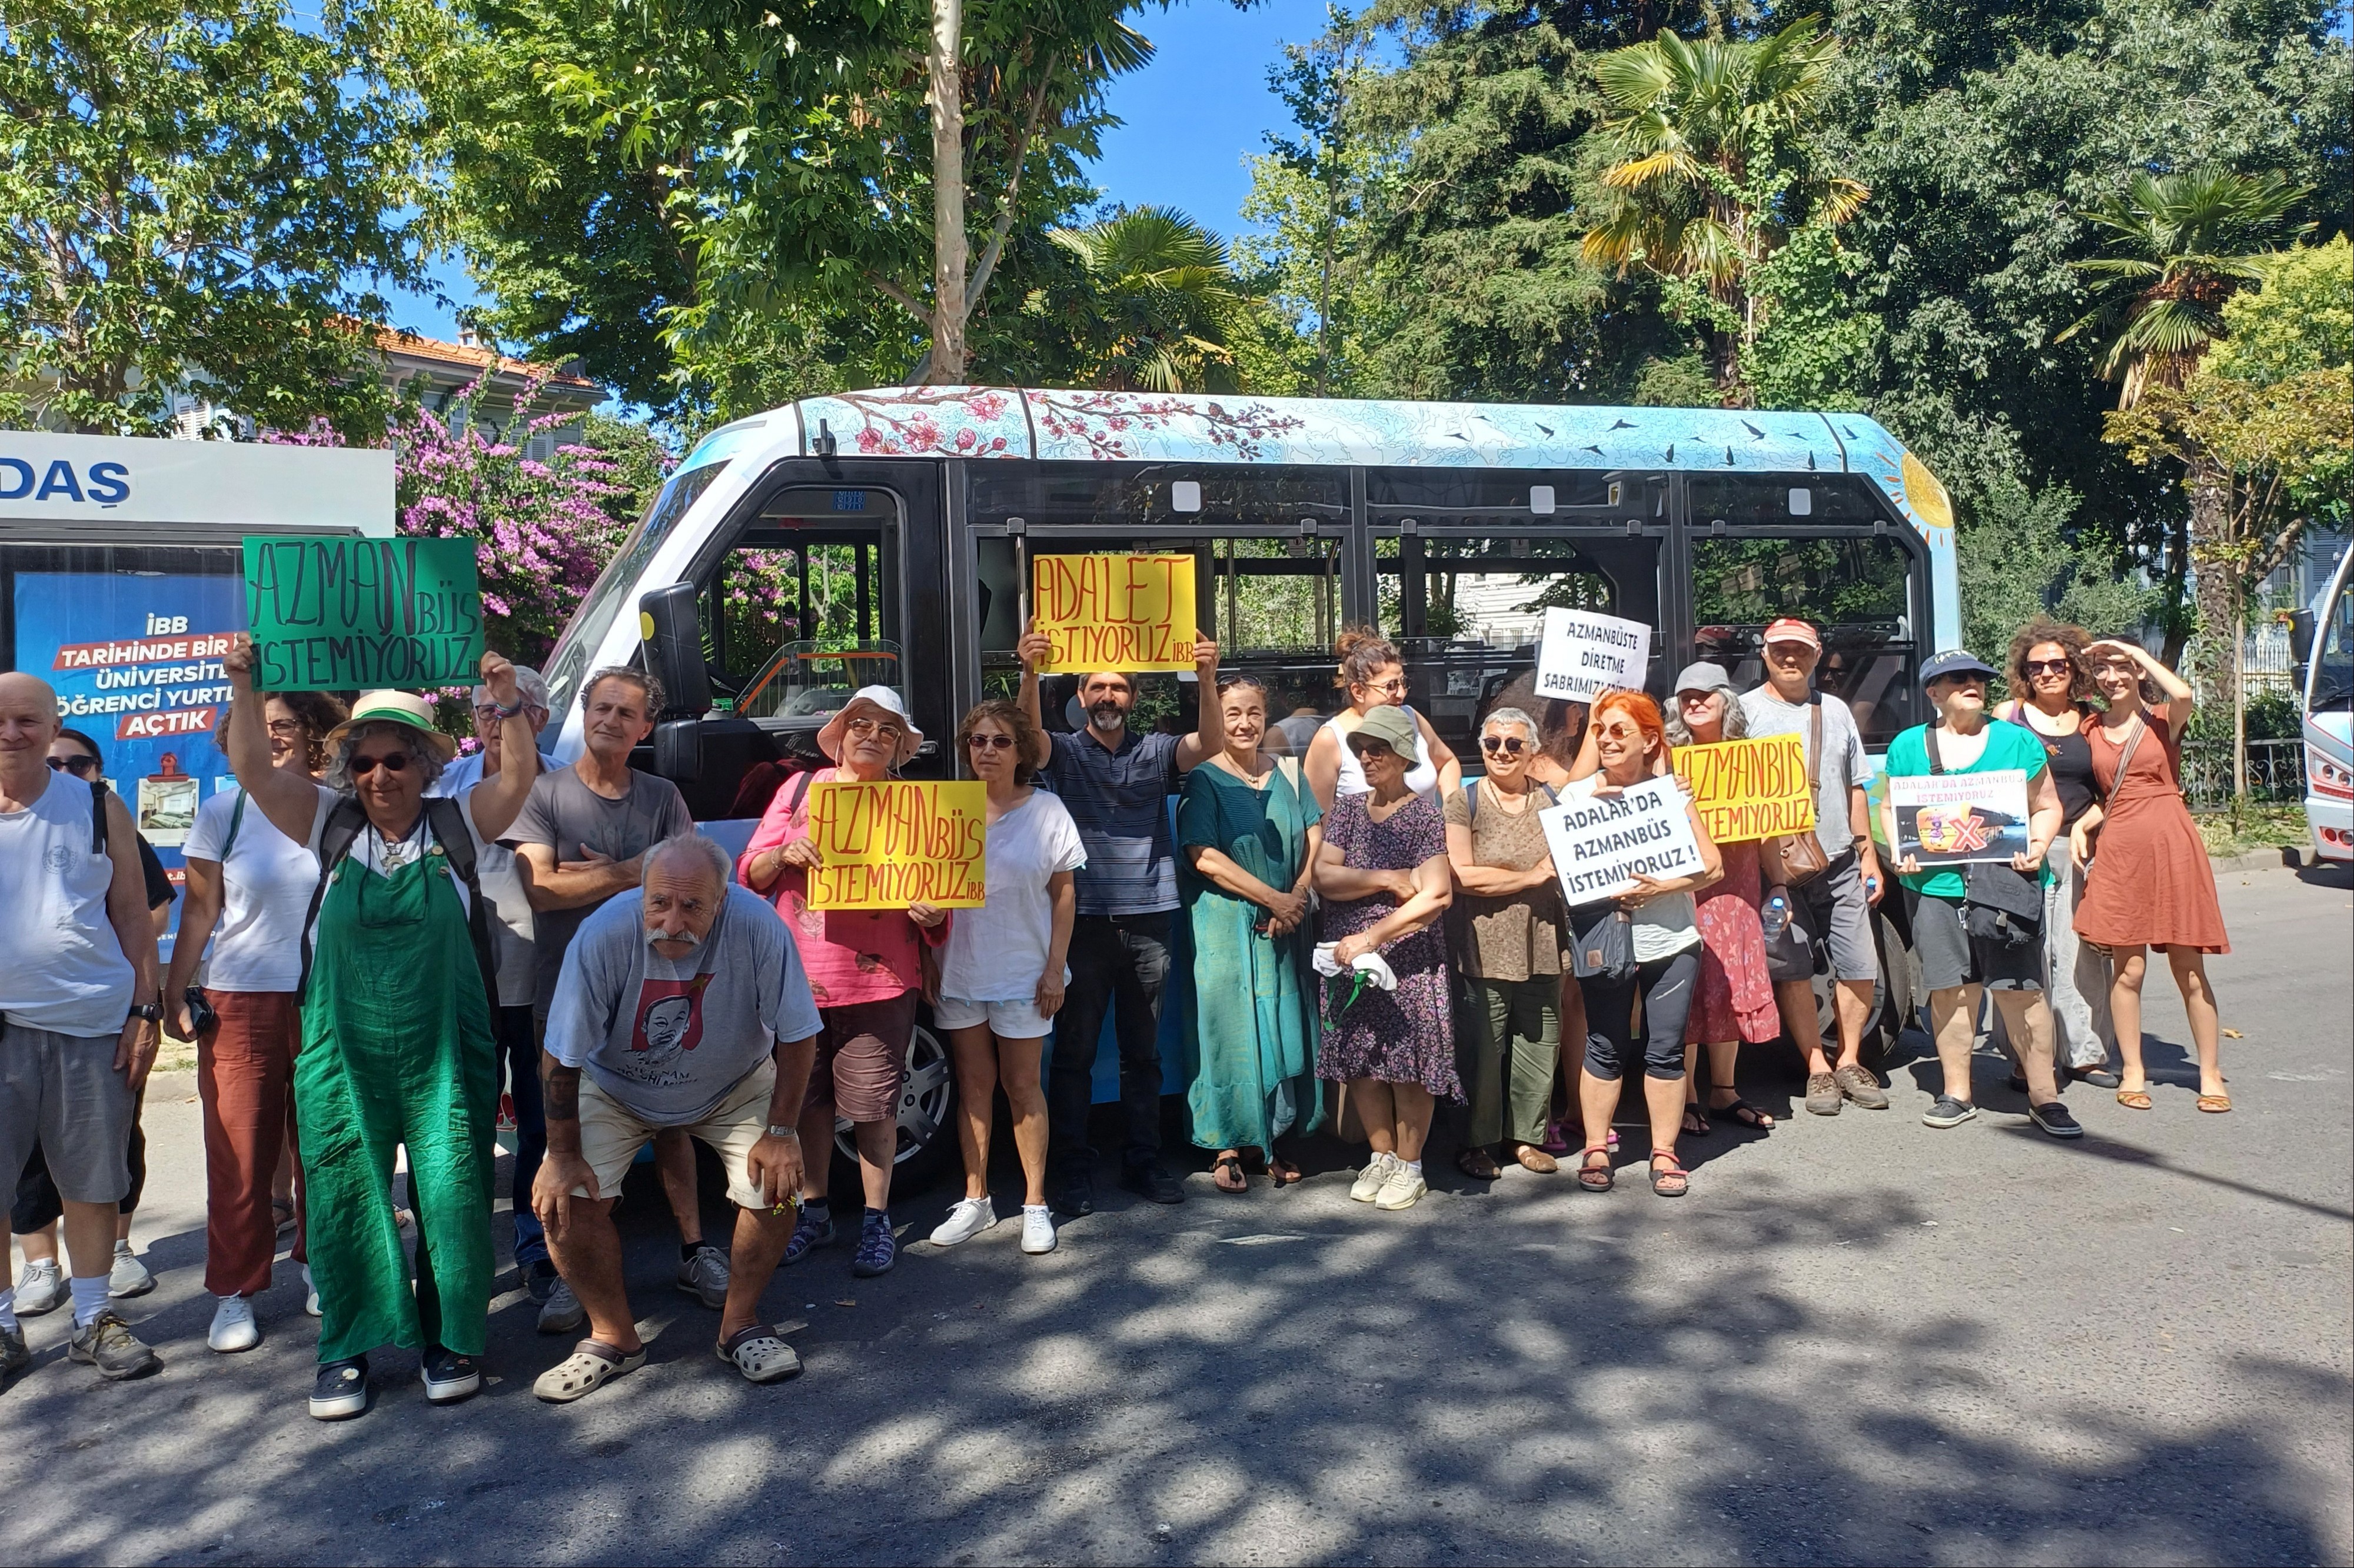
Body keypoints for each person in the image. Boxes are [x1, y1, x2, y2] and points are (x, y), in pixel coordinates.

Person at [220, 635, 538, 1419]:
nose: (379, 776)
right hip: (345, 1051)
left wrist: (501, 698)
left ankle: (452, 1339)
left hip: (444, 1049)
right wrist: (244, 681)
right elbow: (255, 768)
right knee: (343, 1192)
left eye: (397, 760)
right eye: (365, 762)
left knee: (454, 1190)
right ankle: (348, 1352)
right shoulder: (327, 825)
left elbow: (521, 775)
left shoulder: (459, 822)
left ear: (427, 766)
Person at [531, 835, 823, 1400]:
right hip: (617, 1084)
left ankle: (740, 1324)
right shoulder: (603, 934)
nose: (672, 921)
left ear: (724, 900)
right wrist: (561, 1154)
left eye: (693, 906)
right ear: (642, 893)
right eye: (659, 902)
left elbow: (799, 1032)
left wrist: (783, 1133)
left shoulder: (758, 925)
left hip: (732, 1081)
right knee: (563, 1195)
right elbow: (561, 1056)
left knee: (782, 1182)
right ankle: (613, 1336)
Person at [511, 667, 707, 1332]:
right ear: (584, 713)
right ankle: (576, 1278)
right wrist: (631, 872)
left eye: (627, 714)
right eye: (602, 708)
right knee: (563, 1136)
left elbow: (689, 890)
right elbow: (539, 889)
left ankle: (694, 1249)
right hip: (566, 994)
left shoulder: (664, 795)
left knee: (672, 1124)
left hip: (655, 992)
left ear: (645, 728)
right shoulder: (543, 794)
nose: (611, 721)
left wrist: (585, 874)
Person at [1013, 621, 1221, 1216]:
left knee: (1142, 1054)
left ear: (1133, 698)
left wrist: (1207, 679)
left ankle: (1142, 1159)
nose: (1108, 696)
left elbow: (1207, 744)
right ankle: (1073, 1168)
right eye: (1097, 687)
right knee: (1074, 1054)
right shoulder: (1065, 751)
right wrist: (1029, 672)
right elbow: (1025, 741)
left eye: (1119, 688)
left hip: (1151, 920)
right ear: (1079, 696)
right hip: (1083, 926)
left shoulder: (1156, 751)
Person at [740, 685, 949, 1277]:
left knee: (875, 1103)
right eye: (862, 724)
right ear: (840, 734)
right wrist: (784, 854)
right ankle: (816, 1210)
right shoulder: (799, 790)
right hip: (800, 977)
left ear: (900, 746)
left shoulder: (919, 807)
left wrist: (934, 915)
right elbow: (750, 872)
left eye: (888, 729)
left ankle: (877, 1220)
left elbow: (942, 902)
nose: (873, 736)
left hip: (882, 979)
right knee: (807, 1101)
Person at [162, 690, 347, 1353]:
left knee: (327, 1146)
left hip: (328, 995)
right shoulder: (222, 811)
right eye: (257, 726)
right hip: (241, 997)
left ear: (312, 734)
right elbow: (201, 912)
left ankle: (322, 1264)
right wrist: (173, 989)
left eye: (285, 725)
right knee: (240, 1152)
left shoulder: (337, 808)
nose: (272, 737)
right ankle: (235, 1291)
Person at [0, 675, 164, 1384]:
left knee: (93, 1181)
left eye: (28, 720)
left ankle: (94, 1317)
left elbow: (133, 914)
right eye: (0, 720)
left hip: (91, 1021)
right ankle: (3, 1326)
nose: (12, 733)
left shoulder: (97, 804)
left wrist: (145, 1010)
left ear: (54, 723)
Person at [1881, 650, 2079, 1138]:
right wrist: (1898, 850)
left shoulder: (2016, 741)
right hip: (1933, 887)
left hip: (2007, 885)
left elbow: (2048, 805)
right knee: (1950, 989)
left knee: (2022, 991)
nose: (1973, 683)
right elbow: (1891, 807)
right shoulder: (1908, 746)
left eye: (1979, 678)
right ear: (1933, 692)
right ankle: (1957, 1093)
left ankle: (2044, 1097)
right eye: (1958, 678)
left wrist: (2037, 843)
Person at [928, 700, 1083, 1254]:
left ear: (1021, 752)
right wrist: (928, 954)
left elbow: (1064, 895)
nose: (987, 750)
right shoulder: (944, 808)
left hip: (1024, 973)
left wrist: (1053, 969)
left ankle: (1035, 1203)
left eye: (1000, 741)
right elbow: (922, 891)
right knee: (972, 1088)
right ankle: (976, 1199)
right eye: (977, 740)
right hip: (960, 970)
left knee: (1022, 1087)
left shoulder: (1047, 811)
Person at [1561, 693, 1723, 1199]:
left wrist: (1662, 887)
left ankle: (1664, 1151)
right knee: (1605, 1045)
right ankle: (1595, 1147)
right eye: (1600, 731)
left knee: (1665, 1050)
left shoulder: (1672, 793)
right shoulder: (1576, 797)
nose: (1606, 740)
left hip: (1672, 938)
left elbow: (1712, 866)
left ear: (1650, 739)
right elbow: (1564, 873)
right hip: (1604, 940)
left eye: (1618, 731)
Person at [2071, 638, 2231, 1113]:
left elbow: (2184, 695)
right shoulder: (2091, 727)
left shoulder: (2162, 718)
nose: (2112, 677)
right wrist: (2086, 820)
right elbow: (2106, 792)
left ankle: (2209, 1070)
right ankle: (2134, 1068)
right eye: (2103, 669)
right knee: (2129, 969)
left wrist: (2133, 653)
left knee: (2189, 968)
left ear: (2139, 671)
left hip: (2171, 844)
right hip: (2121, 847)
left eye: (2122, 667)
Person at [1179, 675, 1324, 1194]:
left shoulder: (1287, 771)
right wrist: (1274, 898)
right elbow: (1204, 856)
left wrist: (1300, 894)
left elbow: (1313, 832)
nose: (1244, 723)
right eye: (1233, 713)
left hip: (1285, 927)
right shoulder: (1203, 780)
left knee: (1278, 1025)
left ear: (1266, 717)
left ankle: (1271, 1141)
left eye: (1254, 713)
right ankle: (1226, 1145)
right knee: (1230, 1033)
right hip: (1225, 930)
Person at [1739, 618, 1888, 1117]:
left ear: (1817, 654)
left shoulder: (1837, 710)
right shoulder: (1745, 713)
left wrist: (1867, 852)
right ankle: (1817, 1066)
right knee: (1796, 969)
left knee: (1861, 964)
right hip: (1775, 869)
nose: (1790, 658)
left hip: (1841, 861)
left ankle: (1849, 1058)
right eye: (1780, 650)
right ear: (1764, 653)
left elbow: (1854, 788)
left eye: (1800, 651)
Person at [1312, 704, 1456, 1212]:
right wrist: (1387, 879)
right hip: (1350, 952)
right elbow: (1323, 876)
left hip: (1406, 955)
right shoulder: (1350, 809)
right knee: (1362, 1059)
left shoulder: (1423, 814)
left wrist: (1373, 934)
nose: (1366, 758)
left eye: (1377, 750)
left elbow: (1436, 895)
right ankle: (1382, 1156)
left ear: (1402, 756)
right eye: (1361, 749)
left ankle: (1411, 1165)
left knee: (1408, 1063)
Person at [1991, 620, 2117, 1087]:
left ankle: (2084, 1053)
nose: (2047, 673)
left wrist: (2089, 822)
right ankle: (2027, 1059)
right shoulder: (2008, 715)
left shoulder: (2092, 719)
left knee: (2081, 952)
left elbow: (2115, 783)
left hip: (2079, 849)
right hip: (2019, 848)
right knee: (2025, 953)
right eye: (2036, 666)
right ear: (2025, 672)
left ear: (2074, 668)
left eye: (2057, 664)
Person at [1442, 707, 1565, 1180]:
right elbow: (1462, 875)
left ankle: (1527, 1139)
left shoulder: (1552, 801)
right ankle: (1476, 1143)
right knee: (1483, 1050)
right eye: (1493, 743)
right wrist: (1530, 876)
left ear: (1532, 751)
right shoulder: (1464, 802)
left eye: (1514, 744)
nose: (1502, 752)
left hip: (1544, 941)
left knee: (1539, 1043)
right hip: (1482, 947)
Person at [1663, 665, 1783, 1134]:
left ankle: (1725, 1091)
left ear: (1725, 701)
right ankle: (1688, 1094)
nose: (1694, 703)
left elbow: (1769, 827)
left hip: (1739, 884)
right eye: (1685, 697)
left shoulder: (1753, 759)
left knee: (1733, 981)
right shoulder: (1668, 760)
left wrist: (1778, 885)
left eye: (1704, 695)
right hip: (1687, 887)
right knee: (1688, 988)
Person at [1302, 628, 1462, 809]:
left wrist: (1453, 813)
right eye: (1391, 686)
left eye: (1403, 683)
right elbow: (1317, 824)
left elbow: (1447, 762)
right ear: (1359, 692)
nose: (1401, 694)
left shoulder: (1411, 717)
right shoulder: (1330, 740)